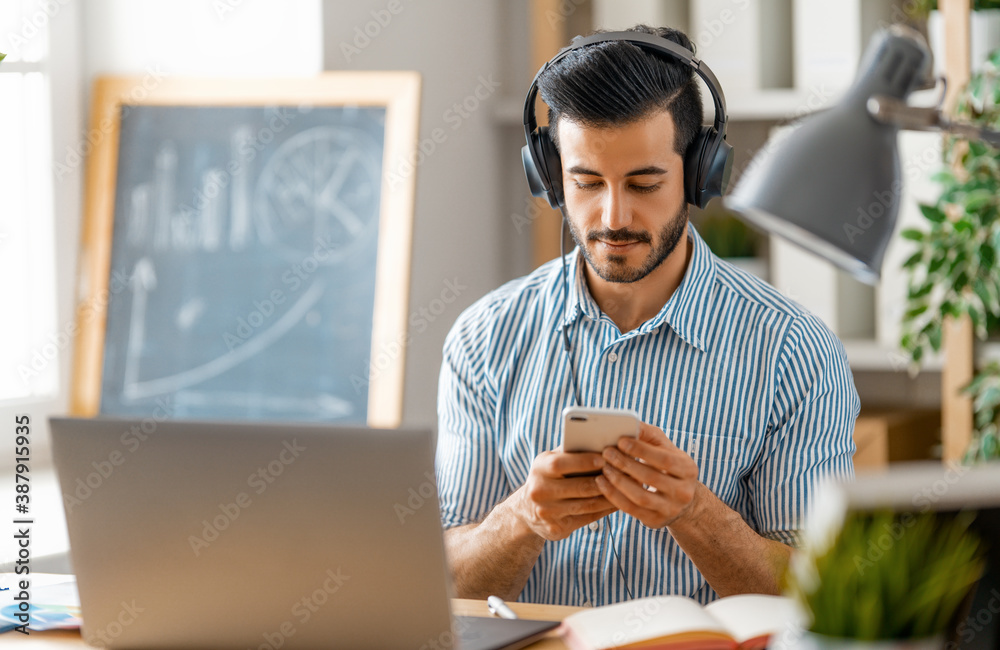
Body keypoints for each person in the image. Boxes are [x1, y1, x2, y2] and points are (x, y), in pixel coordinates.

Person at [435, 24, 859, 607]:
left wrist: (696, 513)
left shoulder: (793, 352)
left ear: (699, 173)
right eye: (586, 182)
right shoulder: (484, 339)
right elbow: (441, 591)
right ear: (551, 178)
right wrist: (520, 520)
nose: (613, 216)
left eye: (644, 182)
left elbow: (821, 599)